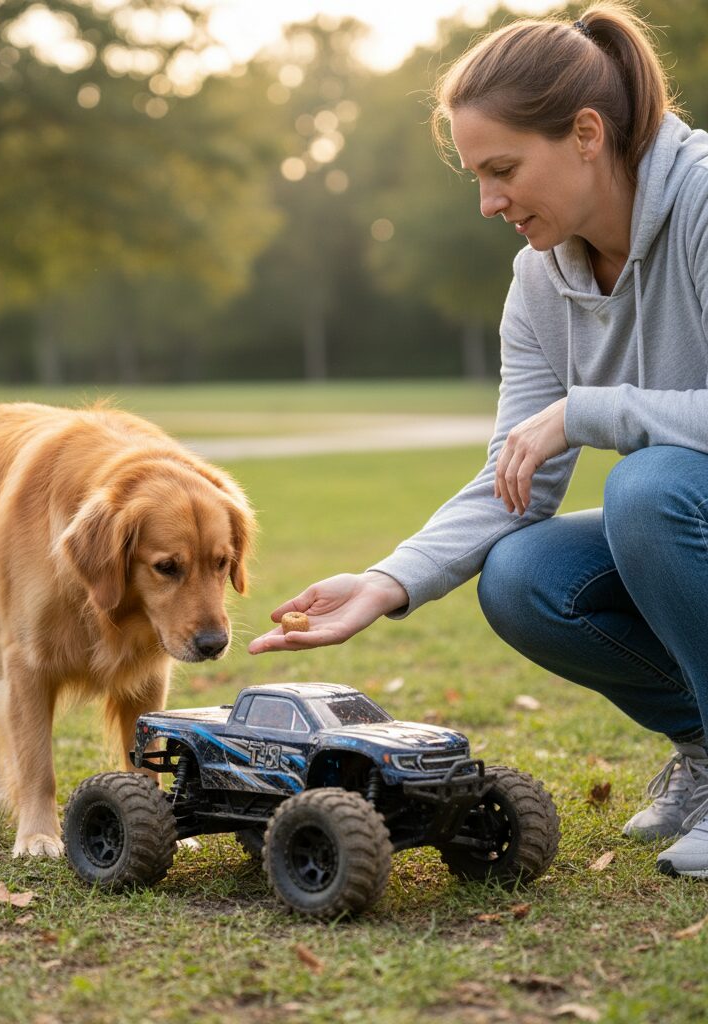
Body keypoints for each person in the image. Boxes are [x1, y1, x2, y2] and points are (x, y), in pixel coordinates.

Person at [249, 2, 708, 880]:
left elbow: (591, 432)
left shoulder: (702, 205)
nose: (491, 202)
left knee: (645, 491)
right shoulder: (538, 281)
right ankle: (703, 750)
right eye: (476, 178)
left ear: (584, 133)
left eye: (503, 169)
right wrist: (388, 582)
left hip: (684, 502)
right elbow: (515, 480)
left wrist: (587, 412)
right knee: (525, 576)